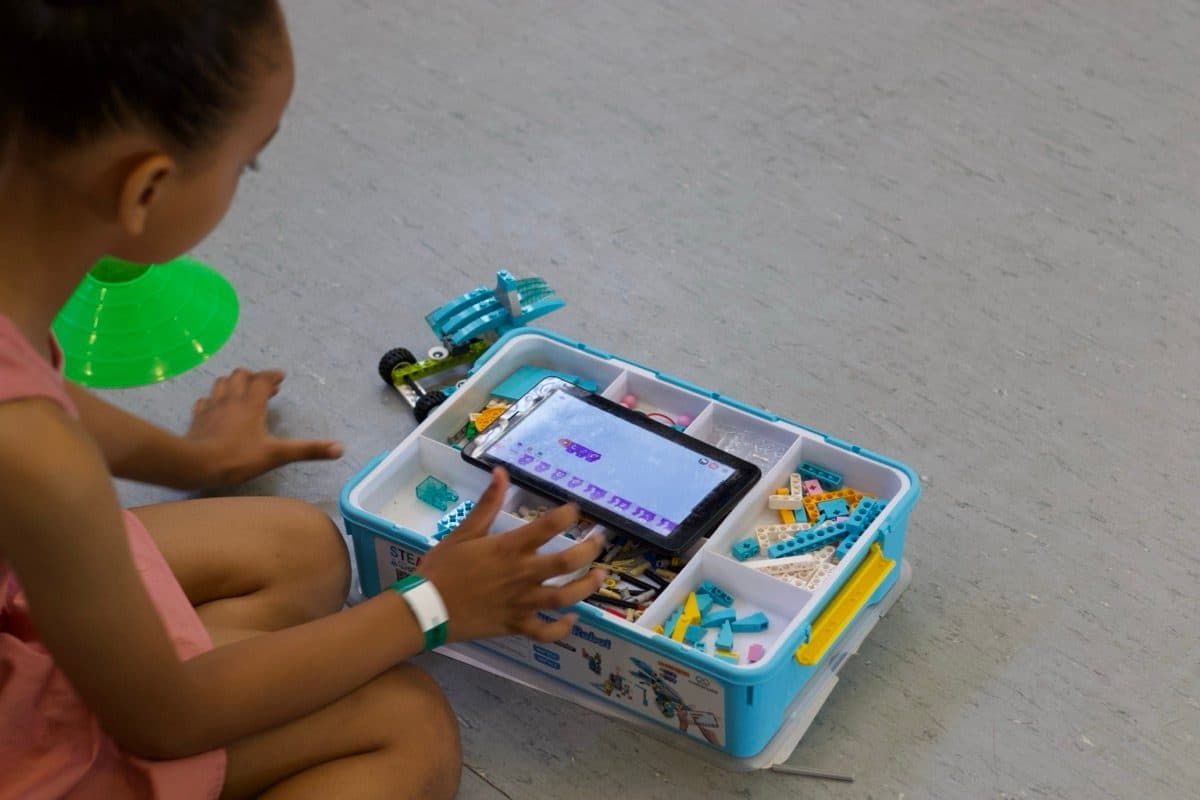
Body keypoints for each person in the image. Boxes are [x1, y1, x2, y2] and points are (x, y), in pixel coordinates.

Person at [0, 3, 606, 798]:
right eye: (246, 162)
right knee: (406, 728)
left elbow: (27, 387)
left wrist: (197, 459)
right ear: (145, 188)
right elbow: (162, 720)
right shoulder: (40, 461)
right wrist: (430, 605)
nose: (243, 178)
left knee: (303, 548)